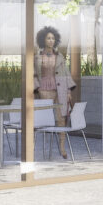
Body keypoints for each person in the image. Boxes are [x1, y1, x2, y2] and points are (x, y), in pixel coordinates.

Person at [33, 25, 75, 158]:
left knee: (61, 118)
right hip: (44, 89)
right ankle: (41, 149)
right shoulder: (37, 57)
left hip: (61, 89)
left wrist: (68, 91)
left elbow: (66, 74)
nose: (51, 40)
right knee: (45, 119)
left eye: (53, 38)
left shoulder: (60, 56)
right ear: (43, 40)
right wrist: (37, 88)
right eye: (48, 38)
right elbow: (33, 74)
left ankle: (62, 148)